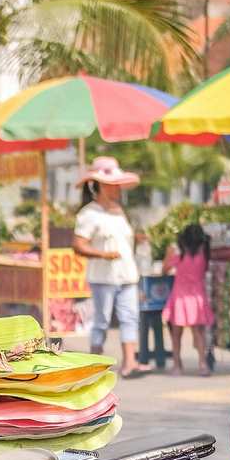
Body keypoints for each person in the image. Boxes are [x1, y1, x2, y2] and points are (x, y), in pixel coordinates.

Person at [72, 156, 149, 378]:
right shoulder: (89, 213)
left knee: (130, 317)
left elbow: (122, 240)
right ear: (101, 186)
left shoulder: (118, 212)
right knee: (102, 320)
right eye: (113, 185)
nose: (118, 190)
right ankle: (95, 362)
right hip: (103, 277)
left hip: (127, 275)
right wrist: (103, 254)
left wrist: (139, 239)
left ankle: (130, 363)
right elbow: (78, 245)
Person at [162, 222, 214, 375]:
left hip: (179, 298)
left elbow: (164, 270)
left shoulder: (179, 254)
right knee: (198, 333)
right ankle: (202, 364)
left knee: (176, 334)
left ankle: (177, 365)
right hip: (197, 297)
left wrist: (168, 254)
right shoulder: (204, 253)